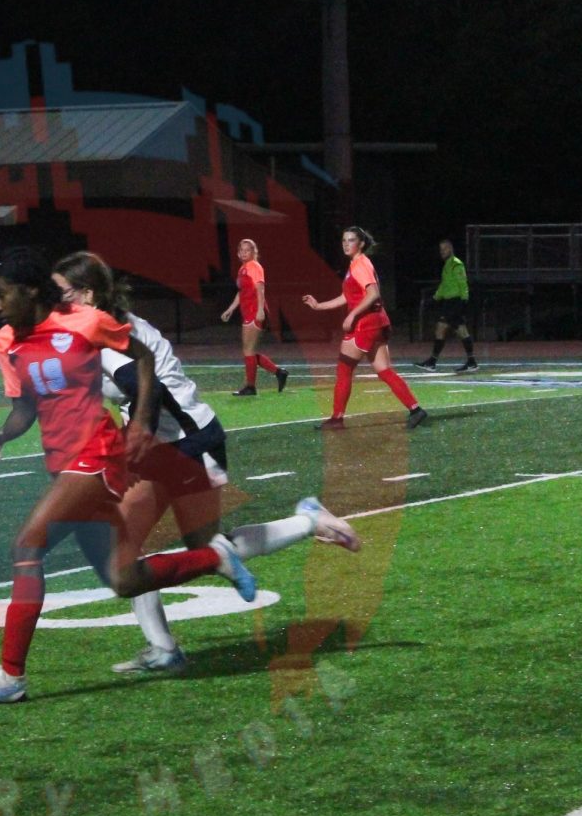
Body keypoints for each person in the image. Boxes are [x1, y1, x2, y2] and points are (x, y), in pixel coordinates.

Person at [0, 248, 259, 706]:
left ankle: (10, 677)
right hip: (63, 463)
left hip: (97, 456)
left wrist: (140, 424)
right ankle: (213, 560)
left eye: (2, 296)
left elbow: (142, 360)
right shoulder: (6, 342)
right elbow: (25, 406)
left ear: (31, 291)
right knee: (124, 579)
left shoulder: (83, 320)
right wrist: (3, 433)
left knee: (27, 546)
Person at [52, 251, 359, 674]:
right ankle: (306, 521)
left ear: (86, 294)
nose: (57, 305)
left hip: (183, 444)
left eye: (62, 295)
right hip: (184, 439)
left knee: (156, 550)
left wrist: (127, 443)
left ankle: (164, 646)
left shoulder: (105, 331)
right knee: (176, 546)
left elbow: (147, 390)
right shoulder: (111, 322)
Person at [302, 227, 428, 430]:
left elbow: (373, 294)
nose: (345, 243)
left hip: (365, 324)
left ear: (360, 244)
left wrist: (352, 315)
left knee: (344, 369)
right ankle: (416, 409)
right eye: (343, 240)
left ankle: (337, 419)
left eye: (351, 240)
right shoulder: (357, 264)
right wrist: (319, 306)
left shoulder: (360, 264)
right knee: (384, 371)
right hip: (378, 322)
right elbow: (348, 297)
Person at [220, 238, 289, 395]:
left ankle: (251, 386)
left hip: (254, 312)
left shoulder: (254, 266)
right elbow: (241, 292)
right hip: (247, 311)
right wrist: (230, 309)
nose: (244, 253)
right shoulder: (243, 268)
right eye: (241, 250)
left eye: (248, 250)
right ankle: (278, 373)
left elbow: (260, 289)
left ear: (254, 252)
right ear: (238, 253)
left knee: (249, 350)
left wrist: (260, 310)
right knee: (249, 351)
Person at [416, 239, 477, 372]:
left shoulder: (456, 264)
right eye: (441, 250)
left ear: (450, 249)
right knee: (460, 330)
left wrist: (464, 301)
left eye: (444, 249)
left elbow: (463, 283)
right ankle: (471, 361)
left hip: (455, 302)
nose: (442, 252)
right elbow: (444, 285)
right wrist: (435, 298)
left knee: (442, 327)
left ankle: (432, 362)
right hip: (449, 302)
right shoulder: (447, 265)